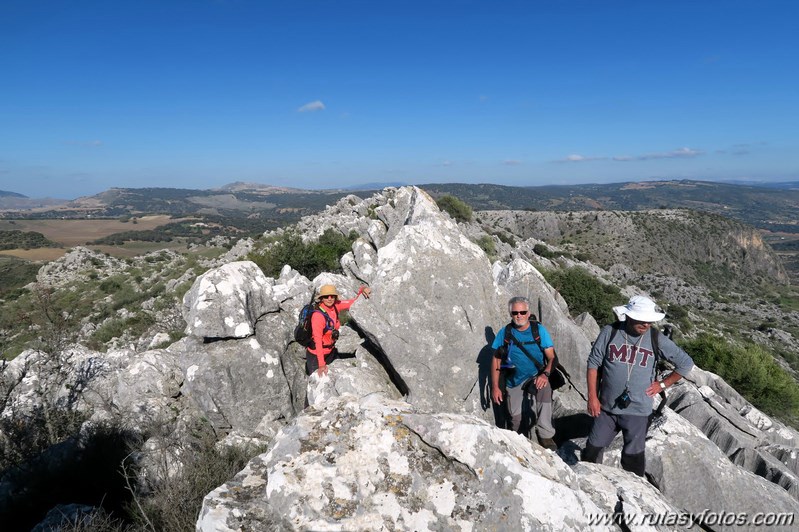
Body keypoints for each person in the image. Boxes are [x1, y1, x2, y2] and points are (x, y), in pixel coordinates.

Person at [582, 295, 694, 477]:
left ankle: (636, 494)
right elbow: (593, 363)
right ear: (629, 316)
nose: (646, 325)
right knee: (592, 449)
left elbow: (685, 363)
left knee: (632, 457)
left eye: (649, 321)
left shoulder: (656, 338)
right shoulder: (610, 332)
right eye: (642, 320)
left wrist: (662, 384)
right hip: (607, 407)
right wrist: (592, 397)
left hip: (638, 410)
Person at [490, 296, 558, 451]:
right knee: (516, 419)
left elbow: (552, 357)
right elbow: (496, 361)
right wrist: (495, 387)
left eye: (522, 312)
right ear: (511, 314)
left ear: (529, 313)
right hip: (514, 381)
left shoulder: (538, 331)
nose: (519, 315)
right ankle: (521, 446)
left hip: (536, 375)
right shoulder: (505, 333)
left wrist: (545, 374)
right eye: (515, 313)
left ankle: (546, 435)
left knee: (545, 391)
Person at [306, 283, 371, 377]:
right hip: (316, 356)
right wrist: (321, 364)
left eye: (332, 296)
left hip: (331, 351)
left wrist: (363, 289)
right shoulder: (318, 316)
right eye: (326, 296)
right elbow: (318, 341)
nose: (329, 298)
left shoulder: (336, 306)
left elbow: (354, 302)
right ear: (321, 298)